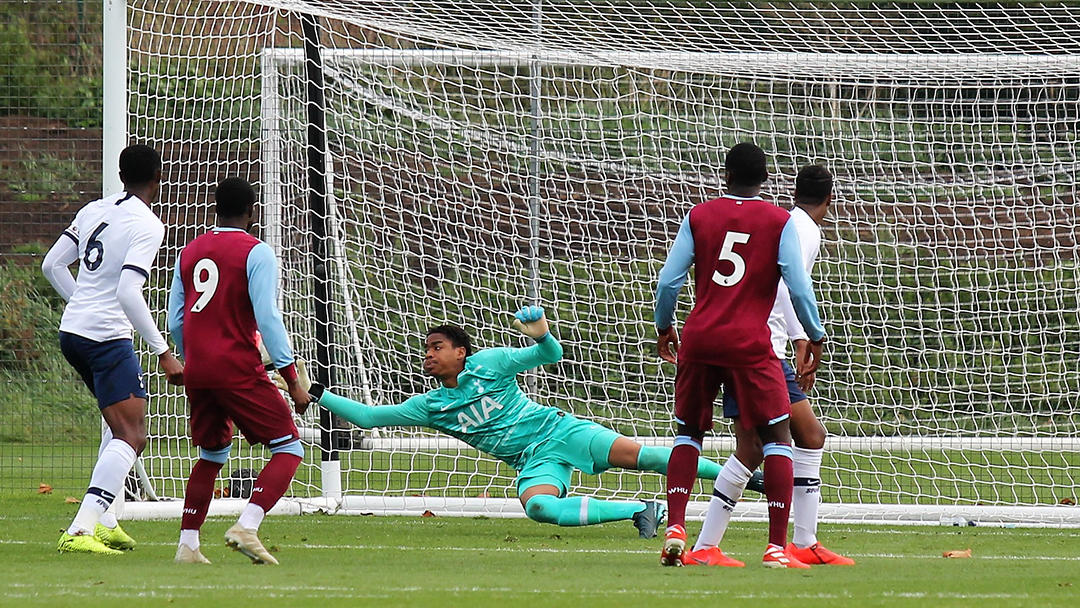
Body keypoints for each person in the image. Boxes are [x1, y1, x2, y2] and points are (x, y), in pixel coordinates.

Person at [306, 306, 725, 538]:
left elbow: (550, 356)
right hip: (532, 461)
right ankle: (640, 509)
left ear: (462, 352)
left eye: (438, 347)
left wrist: (541, 334)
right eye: (427, 349)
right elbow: (368, 415)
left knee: (647, 458)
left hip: (560, 431)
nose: (429, 354)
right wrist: (313, 392)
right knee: (539, 507)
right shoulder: (431, 405)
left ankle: (737, 478)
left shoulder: (490, 363)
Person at [653, 142, 827, 568]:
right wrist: (815, 334)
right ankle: (775, 548)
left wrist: (664, 327)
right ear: (765, 180)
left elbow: (668, 281)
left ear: (725, 174)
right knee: (778, 440)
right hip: (751, 345)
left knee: (688, 433)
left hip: (700, 339)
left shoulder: (699, 215)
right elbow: (798, 286)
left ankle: (677, 526)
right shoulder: (779, 220)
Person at [683, 164, 854, 567]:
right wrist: (802, 341)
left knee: (760, 445)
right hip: (762, 349)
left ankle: (711, 544)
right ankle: (793, 544)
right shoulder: (802, 231)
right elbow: (793, 290)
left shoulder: (787, 222)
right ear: (830, 200)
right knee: (802, 437)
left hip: (748, 343)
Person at [41, 144, 185, 555]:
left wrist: (81, 304)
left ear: (121, 175)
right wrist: (163, 351)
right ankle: (81, 530)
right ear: (158, 177)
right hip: (105, 337)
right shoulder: (148, 224)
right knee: (133, 432)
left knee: (117, 421)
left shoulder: (94, 209)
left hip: (74, 332)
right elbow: (127, 290)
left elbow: (52, 265)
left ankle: (105, 521)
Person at [167, 177, 312, 565]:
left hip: (198, 368)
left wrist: (191, 356)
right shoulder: (256, 251)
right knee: (289, 446)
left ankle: (188, 544)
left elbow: (176, 320)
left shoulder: (190, 250)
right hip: (236, 367)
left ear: (215, 208)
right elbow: (268, 317)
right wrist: (292, 378)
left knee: (213, 453)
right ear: (252, 213)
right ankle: (247, 524)